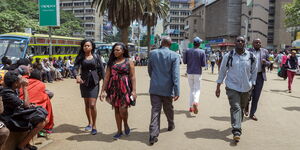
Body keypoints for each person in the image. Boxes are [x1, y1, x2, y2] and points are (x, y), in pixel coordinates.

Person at [215, 36, 257, 142]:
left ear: (245, 44)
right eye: (238, 41)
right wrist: (218, 86)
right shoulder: (228, 56)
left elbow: (254, 72)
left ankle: (237, 123)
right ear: (235, 43)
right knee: (236, 107)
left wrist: (252, 83)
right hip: (232, 86)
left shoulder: (251, 56)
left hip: (246, 87)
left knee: (241, 108)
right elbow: (223, 71)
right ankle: (237, 130)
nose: (240, 42)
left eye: (242, 41)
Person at [0, 71, 47, 150]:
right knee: (41, 122)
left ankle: (26, 143)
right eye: (19, 80)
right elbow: (26, 105)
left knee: (42, 117)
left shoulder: (12, 89)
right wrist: (25, 87)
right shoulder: (7, 93)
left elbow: (23, 104)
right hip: (10, 120)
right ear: (15, 83)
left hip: (15, 115)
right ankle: (21, 145)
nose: (22, 81)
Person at [100, 42, 136, 140]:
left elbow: (132, 77)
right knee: (116, 109)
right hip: (114, 88)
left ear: (123, 51)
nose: (115, 51)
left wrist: (134, 91)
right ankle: (119, 131)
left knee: (123, 109)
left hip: (125, 88)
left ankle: (126, 124)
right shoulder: (111, 62)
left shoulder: (129, 61)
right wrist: (102, 91)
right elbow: (106, 78)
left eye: (118, 50)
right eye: (114, 50)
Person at [148, 36, 180, 145]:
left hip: (155, 87)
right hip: (168, 88)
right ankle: (171, 124)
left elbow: (150, 70)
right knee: (168, 108)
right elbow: (175, 75)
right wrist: (177, 91)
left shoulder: (152, 53)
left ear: (161, 43)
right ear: (170, 45)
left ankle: (153, 134)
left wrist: (155, 79)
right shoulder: (175, 55)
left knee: (155, 110)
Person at [73, 39, 105, 135]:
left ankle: (94, 125)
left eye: (88, 45)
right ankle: (89, 123)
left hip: (94, 82)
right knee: (87, 104)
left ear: (92, 47)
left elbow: (102, 70)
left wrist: (104, 84)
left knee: (92, 104)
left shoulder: (96, 56)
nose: (86, 47)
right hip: (84, 82)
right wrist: (77, 76)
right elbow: (74, 68)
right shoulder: (80, 57)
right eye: (84, 46)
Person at [19, 69, 54, 134]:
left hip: (20, 104)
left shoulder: (23, 80)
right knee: (46, 98)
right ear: (40, 77)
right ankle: (47, 125)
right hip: (29, 107)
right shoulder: (41, 84)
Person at [245, 39, 270, 121]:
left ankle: (252, 114)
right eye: (256, 42)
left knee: (256, 96)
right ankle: (246, 108)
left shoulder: (265, 51)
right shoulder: (247, 51)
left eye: (259, 42)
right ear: (252, 44)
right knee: (248, 94)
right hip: (250, 76)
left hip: (260, 76)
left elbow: (270, 62)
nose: (258, 43)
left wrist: (265, 62)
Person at [183, 37, 206, 114]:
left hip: (189, 72)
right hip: (198, 72)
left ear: (193, 43)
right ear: (199, 44)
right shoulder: (202, 52)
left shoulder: (187, 50)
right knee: (197, 89)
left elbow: (184, 61)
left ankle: (190, 107)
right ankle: (195, 102)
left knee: (192, 89)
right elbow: (203, 64)